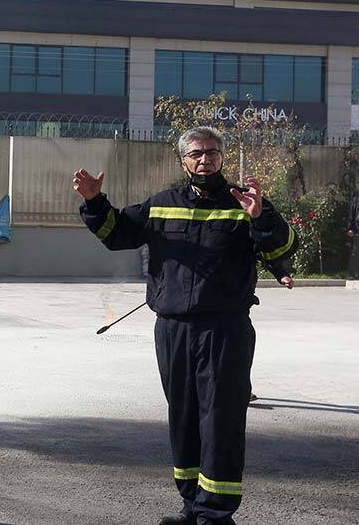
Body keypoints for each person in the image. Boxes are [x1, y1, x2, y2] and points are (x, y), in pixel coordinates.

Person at [73, 126, 296, 525]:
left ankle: (216, 514)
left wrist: (260, 217)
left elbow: (281, 249)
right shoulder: (162, 205)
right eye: (196, 153)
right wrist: (94, 202)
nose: (205, 159)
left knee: (222, 419)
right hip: (173, 329)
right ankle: (192, 506)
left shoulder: (246, 204)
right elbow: (118, 233)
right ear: (183, 161)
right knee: (184, 417)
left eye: (212, 152)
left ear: (222, 157)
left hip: (224, 330)